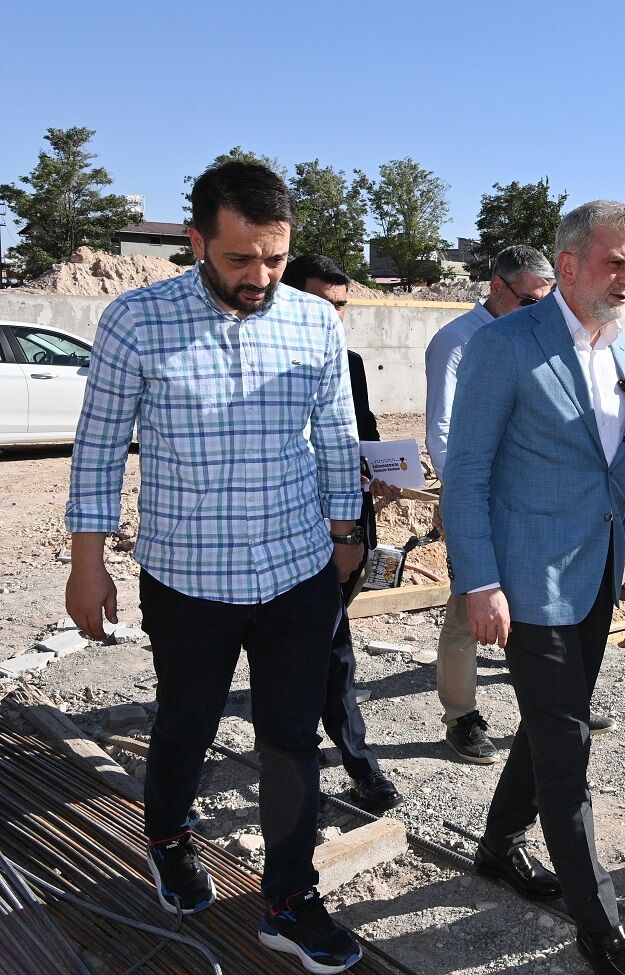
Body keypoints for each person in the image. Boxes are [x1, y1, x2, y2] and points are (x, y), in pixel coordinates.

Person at [65, 161, 364, 974]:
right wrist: (88, 563)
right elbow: (98, 450)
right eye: (240, 258)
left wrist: (346, 532)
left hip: (296, 570)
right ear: (197, 242)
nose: (260, 276)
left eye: (275, 257)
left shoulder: (314, 321)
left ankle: (289, 899)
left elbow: (337, 432)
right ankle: (168, 836)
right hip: (188, 578)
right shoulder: (136, 321)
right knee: (187, 721)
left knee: (291, 739)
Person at [442, 201, 625, 975]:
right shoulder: (504, 345)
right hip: (527, 581)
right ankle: (599, 927)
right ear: (568, 264)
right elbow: (465, 474)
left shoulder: (616, 342)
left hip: (594, 574)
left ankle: (500, 843)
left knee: (547, 723)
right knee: (567, 749)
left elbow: (613, 462)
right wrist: (481, 581)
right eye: (614, 262)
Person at [280, 253, 402, 813]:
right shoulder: (261, 361)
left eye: (342, 306)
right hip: (280, 533)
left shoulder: (348, 363)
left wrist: (382, 473)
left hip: (343, 532)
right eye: (322, 304)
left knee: (333, 650)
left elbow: (364, 437)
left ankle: (357, 765)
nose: (334, 317)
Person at [425, 245, 555, 763]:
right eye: (530, 300)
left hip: (528, 497)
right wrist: (462, 499)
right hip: (477, 498)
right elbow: (441, 430)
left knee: (537, 602)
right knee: (467, 609)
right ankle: (461, 716)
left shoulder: (537, 334)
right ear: (497, 287)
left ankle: (552, 704)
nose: (541, 311)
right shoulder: (457, 341)